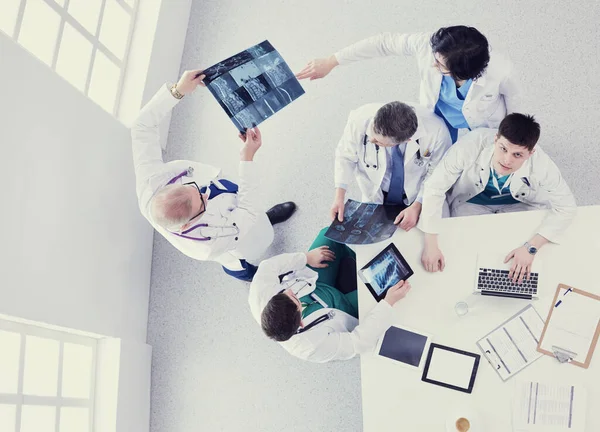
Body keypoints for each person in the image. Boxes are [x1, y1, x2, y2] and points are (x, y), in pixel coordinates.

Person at [131, 70, 296, 281]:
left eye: (191, 186)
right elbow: (247, 210)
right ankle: (253, 275)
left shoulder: (149, 180)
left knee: (252, 214)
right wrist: (247, 158)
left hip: (227, 213)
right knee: (245, 254)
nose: (204, 193)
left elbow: (142, 126)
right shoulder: (207, 243)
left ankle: (268, 217)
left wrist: (177, 91)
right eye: (201, 199)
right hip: (235, 241)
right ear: (186, 225)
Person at [419, 113, 576, 282]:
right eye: (503, 149)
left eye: (518, 155)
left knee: (515, 261)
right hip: (471, 202)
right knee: (462, 255)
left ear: (531, 153)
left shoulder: (542, 164)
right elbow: (434, 188)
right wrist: (431, 244)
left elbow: (566, 207)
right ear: (495, 139)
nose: (507, 160)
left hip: (518, 205)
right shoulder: (470, 146)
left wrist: (531, 247)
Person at [296, 26, 522, 143]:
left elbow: (514, 101)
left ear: (463, 72)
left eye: (440, 66)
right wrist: (332, 61)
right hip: (439, 117)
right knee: (437, 153)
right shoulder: (429, 45)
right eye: (434, 58)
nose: (432, 66)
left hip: (485, 123)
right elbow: (382, 43)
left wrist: (511, 134)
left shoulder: (500, 70)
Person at [248, 228, 411, 363]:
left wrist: (306, 258)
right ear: (302, 323)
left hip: (313, 283)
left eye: (284, 293)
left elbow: (267, 266)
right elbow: (357, 343)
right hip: (339, 307)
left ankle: (361, 262)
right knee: (389, 285)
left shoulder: (259, 295)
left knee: (330, 234)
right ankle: (370, 280)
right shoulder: (310, 347)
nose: (290, 291)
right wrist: (387, 303)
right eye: (294, 299)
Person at [333, 101, 451, 231]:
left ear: (407, 140)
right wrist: (339, 196)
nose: (371, 140)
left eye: (378, 142)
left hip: (416, 192)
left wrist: (418, 204)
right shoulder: (359, 120)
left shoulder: (437, 132)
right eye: (372, 134)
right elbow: (345, 156)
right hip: (376, 192)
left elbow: (436, 173)